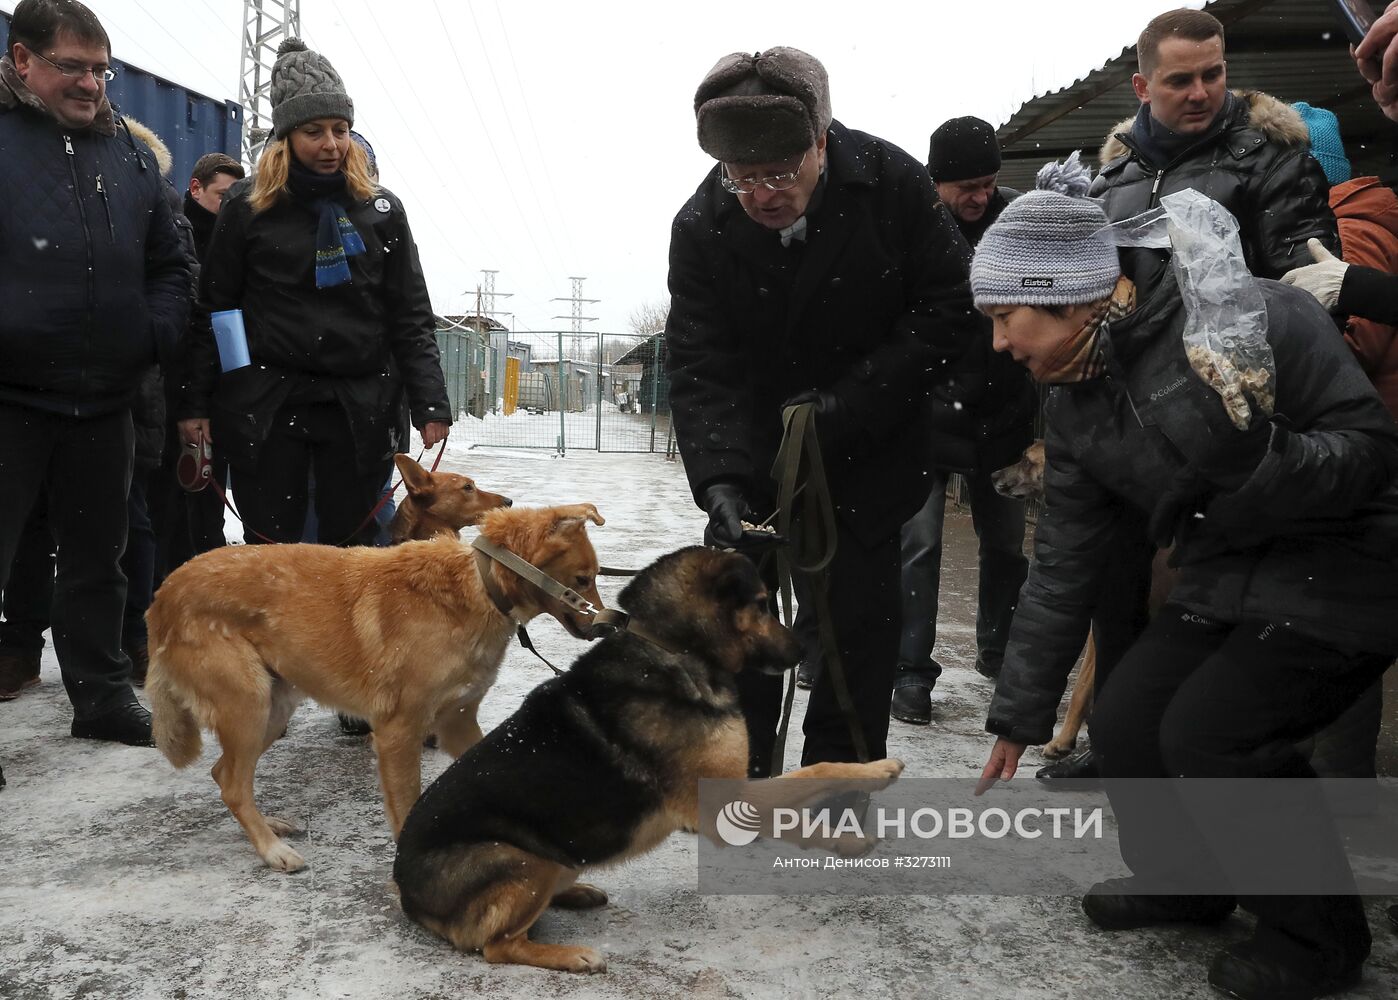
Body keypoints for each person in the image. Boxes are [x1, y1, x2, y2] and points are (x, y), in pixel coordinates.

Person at [973, 171, 1398, 1000]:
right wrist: (1020, 716)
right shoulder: (1072, 400)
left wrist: (1261, 461)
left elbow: (1371, 453)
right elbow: (1063, 561)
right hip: (1230, 564)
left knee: (1216, 735)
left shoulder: (1253, 317)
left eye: (1003, 318)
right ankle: (1189, 877)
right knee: (1129, 717)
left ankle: (1317, 940)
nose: (998, 343)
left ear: (1070, 299)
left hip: (1353, 558)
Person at [1041, 5, 1342, 784]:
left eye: (1213, 74)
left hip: (1231, 422)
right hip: (1128, 424)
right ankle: (1121, 747)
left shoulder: (1271, 158)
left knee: (1211, 606)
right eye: (1181, 80)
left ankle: (1221, 773)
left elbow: (1302, 292)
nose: (1201, 91)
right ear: (1144, 85)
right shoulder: (1112, 179)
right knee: (1116, 594)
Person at [665, 47, 982, 775]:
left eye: (780, 173)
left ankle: (837, 783)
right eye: (742, 179)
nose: (762, 195)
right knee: (739, 622)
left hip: (870, 441)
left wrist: (850, 401)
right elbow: (699, 361)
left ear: (820, 142)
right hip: (753, 452)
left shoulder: (893, 184)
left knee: (857, 628)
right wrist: (720, 478)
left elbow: (948, 308)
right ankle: (742, 779)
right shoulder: (702, 224)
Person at [0, 0, 190, 745]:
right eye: (71, 67)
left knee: (98, 560)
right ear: (22, 62)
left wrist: (154, 332)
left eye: (100, 70)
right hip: (8, 396)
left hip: (104, 398)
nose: (90, 85)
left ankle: (103, 695)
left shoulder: (131, 154)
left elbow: (172, 263)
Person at [180, 40, 450, 547]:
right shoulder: (247, 207)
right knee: (274, 558)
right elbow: (216, 311)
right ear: (285, 136)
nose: (331, 144)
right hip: (269, 409)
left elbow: (410, 314)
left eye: (340, 130)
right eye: (314, 131)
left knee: (350, 560)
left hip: (357, 411)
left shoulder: (380, 212)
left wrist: (430, 403)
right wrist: (196, 404)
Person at [889, 116, 1036, 725]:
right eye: (964, 186)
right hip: (926, 414)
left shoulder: (1023, 224)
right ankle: (912, 673)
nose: (978, 196)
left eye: (987, 182)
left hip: (1004, 415)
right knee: (918, 544)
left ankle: (999, 655)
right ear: (937, 181)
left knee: (1006, 543)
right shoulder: (913, 228)